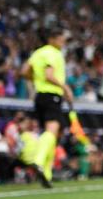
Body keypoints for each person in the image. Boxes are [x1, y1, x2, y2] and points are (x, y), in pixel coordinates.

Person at [21, 25, 73, 188]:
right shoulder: (53, 53)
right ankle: (38, 160)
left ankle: (47, 174)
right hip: (52, 95)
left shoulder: (37, 53)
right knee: (52, 131)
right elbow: (49, 75)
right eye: (61, 39)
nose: (63, 42)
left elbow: (25, 71)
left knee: (52, 135)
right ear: (52, 39)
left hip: (39, 96)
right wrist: (65, 87)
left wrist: (36, 80)